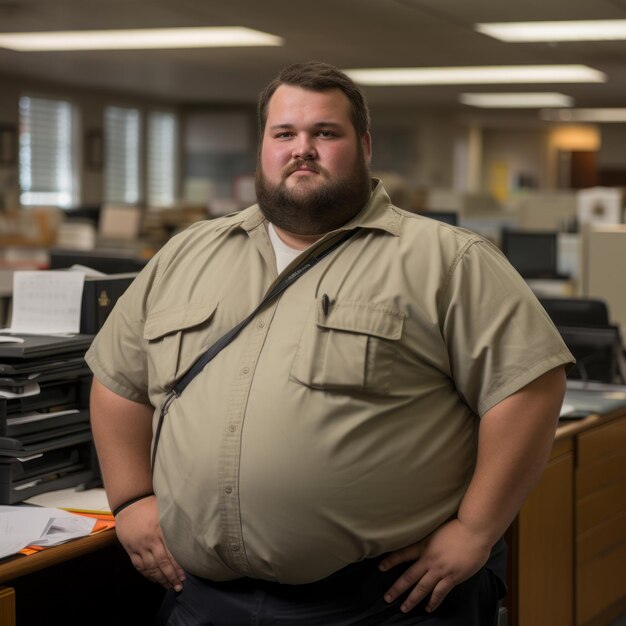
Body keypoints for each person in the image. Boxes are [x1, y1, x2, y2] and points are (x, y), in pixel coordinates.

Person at [86, 61, 574, 625]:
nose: (303, 149)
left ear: (363, 145)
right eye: (285, 133)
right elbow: (118, 379)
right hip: (205, 597)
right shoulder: (186, 254)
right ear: (263, 147)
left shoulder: (447, 259)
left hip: (383, 602)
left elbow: (531, 389)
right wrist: (129, 501)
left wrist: (476, 530)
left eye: (325, 133)